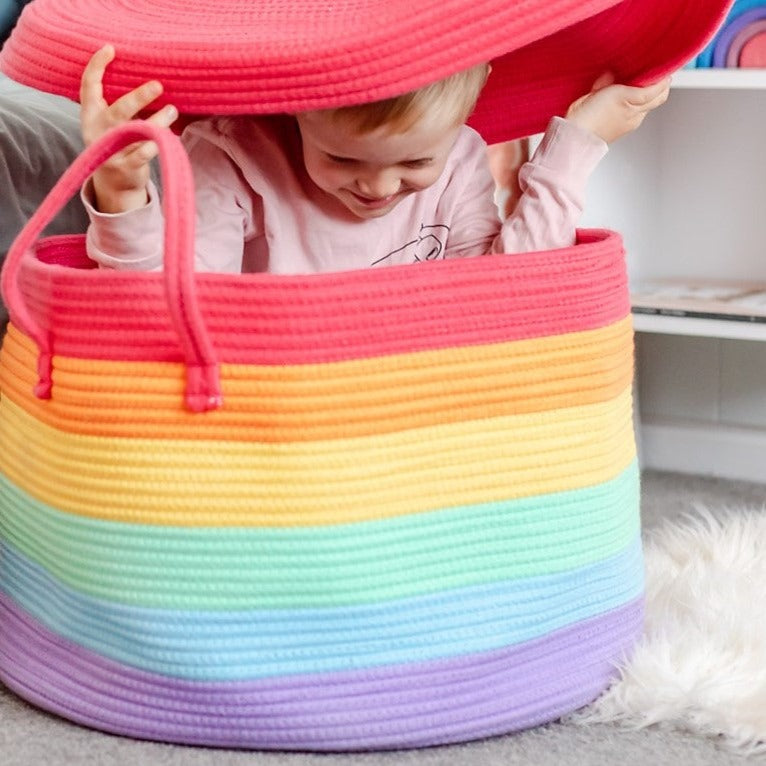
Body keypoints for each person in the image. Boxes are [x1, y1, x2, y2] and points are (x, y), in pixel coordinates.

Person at [79, 44, 670, 274]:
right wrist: (121, 190)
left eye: (415, 163)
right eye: (340, 157)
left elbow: (508, 295)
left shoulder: (461, 155)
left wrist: (572, 149)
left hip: (407, 409)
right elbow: (172, 307)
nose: (379, 186)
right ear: (292, 109)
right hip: (275, 408)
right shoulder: (233, 155)